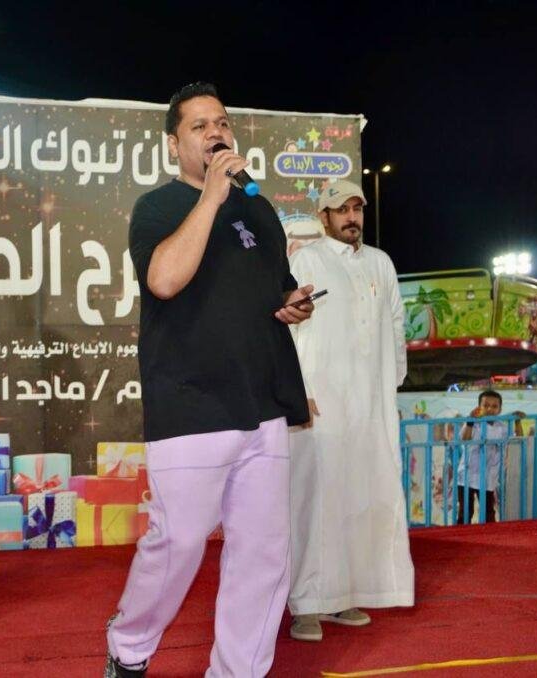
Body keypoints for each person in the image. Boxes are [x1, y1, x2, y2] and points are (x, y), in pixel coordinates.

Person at [104, 82, 314, 678]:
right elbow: (165, 280)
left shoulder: (261, 210)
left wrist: (293, 303)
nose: (215, 132)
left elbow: (277, 289)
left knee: (263, 555)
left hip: (262, 404)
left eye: (221, 122)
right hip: (191, 403)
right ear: (175, 145)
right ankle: (129, 647)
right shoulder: (158, 207)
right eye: (199, 126)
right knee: (177, 543)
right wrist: (212, 197)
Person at [286, 179, 414, 643]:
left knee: (360, 498)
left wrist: (388, 387)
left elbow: (395, 325)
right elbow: (289, 332)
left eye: (357, 209)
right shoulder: (307, 260)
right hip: (320, 407)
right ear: (324, 216)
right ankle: (305, 604)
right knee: (314, 503)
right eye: (342, 210)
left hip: (370, 407)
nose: (352, 218)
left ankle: (344, 595)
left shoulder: (381, 263)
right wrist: (298, 393)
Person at [455, 390, 524, 524]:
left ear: (500, 409)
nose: (490, 409)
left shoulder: (502, 427)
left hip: (488, 477)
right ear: (479, 407)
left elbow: (518, 439)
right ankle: (461, 535)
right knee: (465, 513)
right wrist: (470, 422)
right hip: (467, 475)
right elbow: (464, 439)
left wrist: (517, 422)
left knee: (489, 513)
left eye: (494, 406)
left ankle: (490, 536)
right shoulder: (473, 423)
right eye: (486, 405)